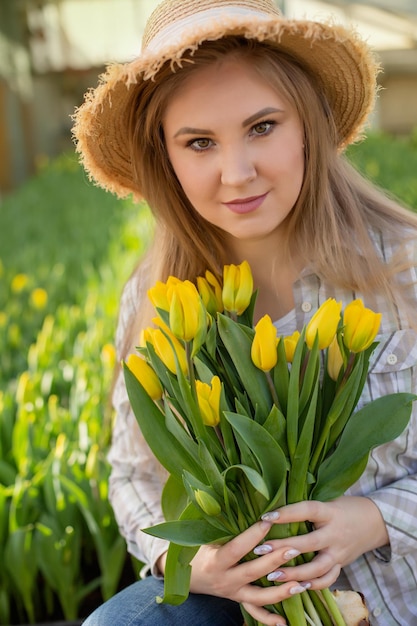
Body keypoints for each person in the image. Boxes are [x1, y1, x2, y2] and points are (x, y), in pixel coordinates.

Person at [73, 1, 417, 624]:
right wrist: (189, 560)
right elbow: (131, 474)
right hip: (251, 606)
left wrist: (370, 520)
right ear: (166, 159)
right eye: (199, 142)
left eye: (262, 127)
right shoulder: (159, 301)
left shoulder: (405, 268)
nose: (237, 173)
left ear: (307, 123)